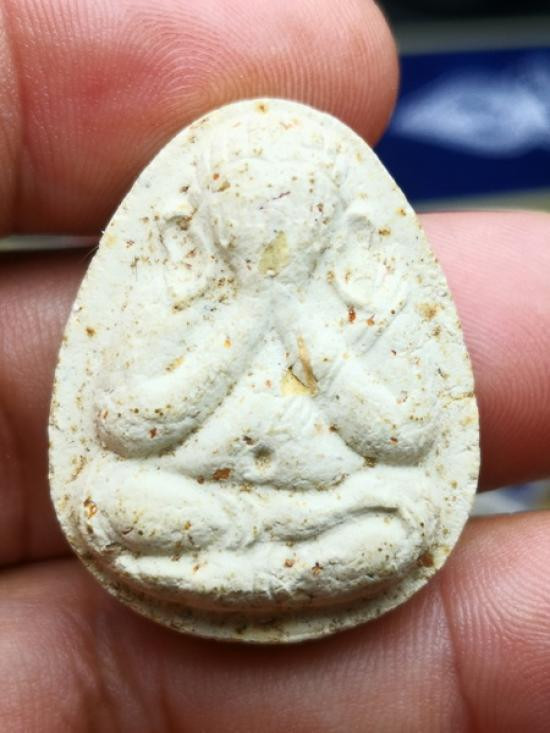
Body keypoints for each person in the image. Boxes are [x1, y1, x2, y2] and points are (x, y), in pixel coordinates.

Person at [0, 1, 548, 730]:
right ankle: (261, 549)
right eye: (247, 216)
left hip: (330, 503)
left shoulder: (362, 296)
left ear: (335, 226)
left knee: (405, 514)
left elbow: (406, 435)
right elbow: (126, 426)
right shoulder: (172, 293)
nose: (269, 234)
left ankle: (252, 553)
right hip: (195, 503)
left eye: (290, 218)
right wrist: (242, 320)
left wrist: (297, 319)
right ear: (204, 226)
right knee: (112, 500)